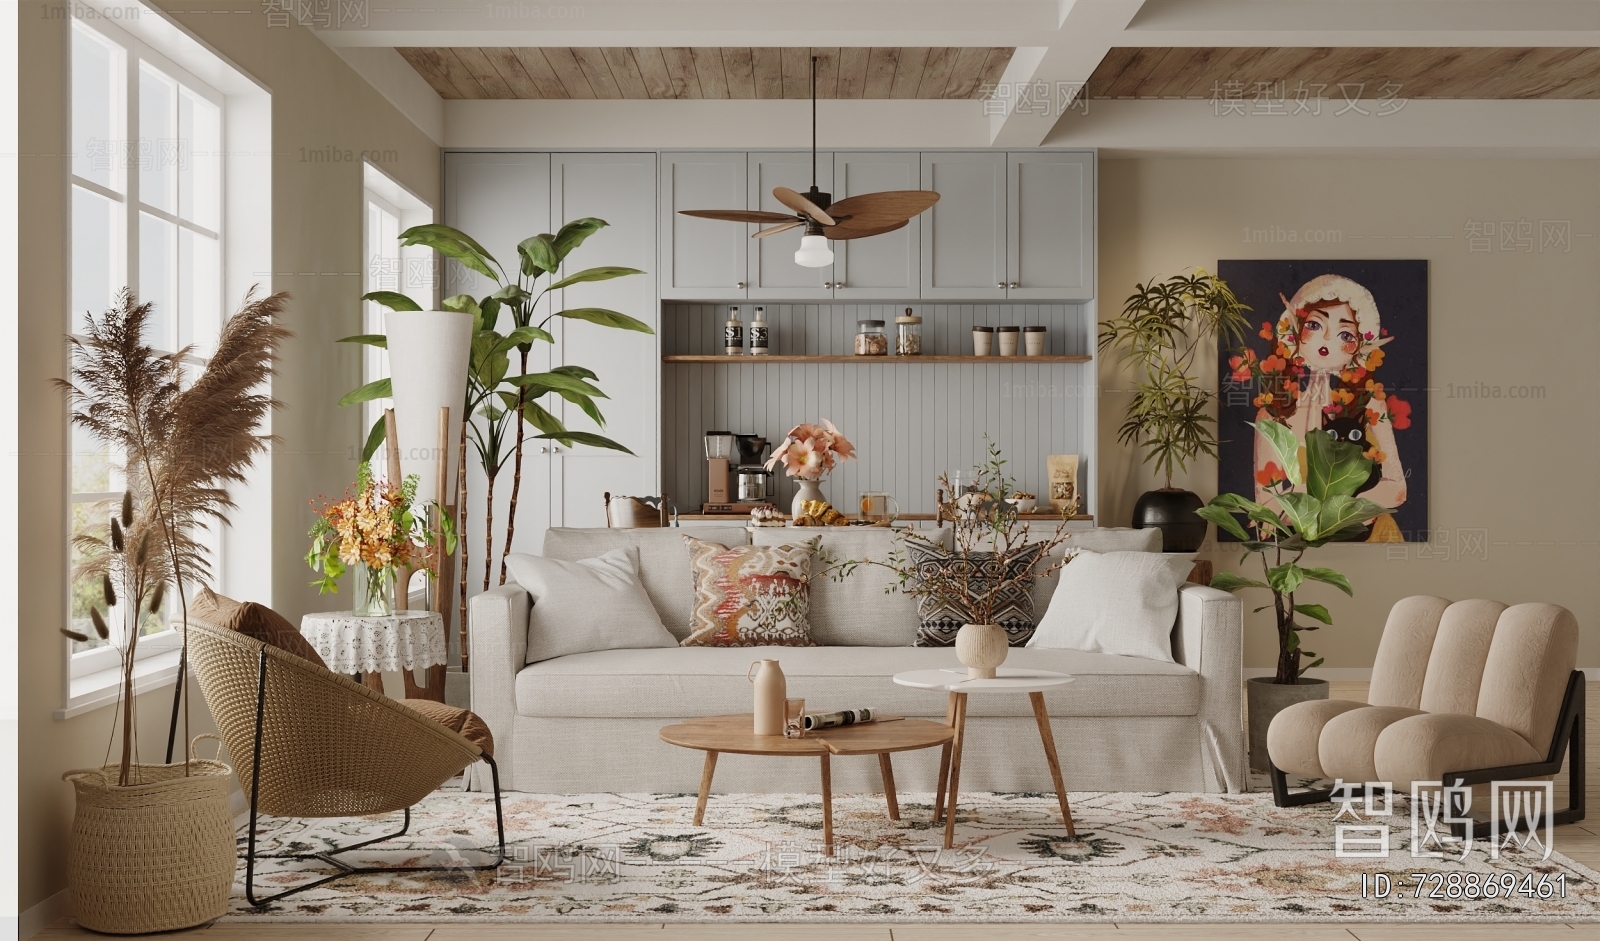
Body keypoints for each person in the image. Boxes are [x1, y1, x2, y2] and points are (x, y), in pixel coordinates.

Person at [1239, 274, 1410, 542]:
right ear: (1294, 331)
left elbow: (1396, 487)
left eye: (1344, 333)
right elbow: (1266, 499)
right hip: (1297, 540)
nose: (1327, 339)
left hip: (1365, 536)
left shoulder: (1369, 403)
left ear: (1360, 346)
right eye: (1315, 325)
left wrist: (1337, 507)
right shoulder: (1273, 411)